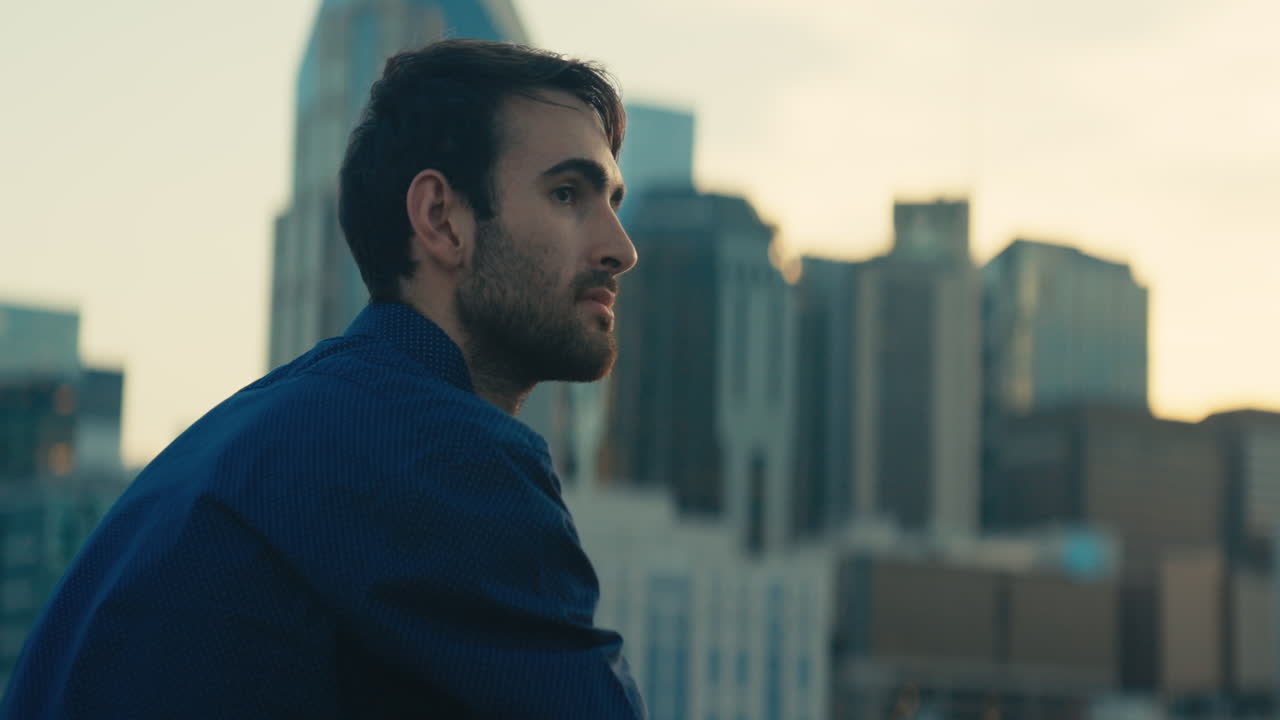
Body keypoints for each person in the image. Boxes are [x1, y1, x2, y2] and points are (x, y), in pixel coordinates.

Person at [1, 39, 645, 719]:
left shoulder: (241, 438)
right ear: (440, 219)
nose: (620, 248)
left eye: (613, 200)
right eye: (568, 193)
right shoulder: (441, 453)